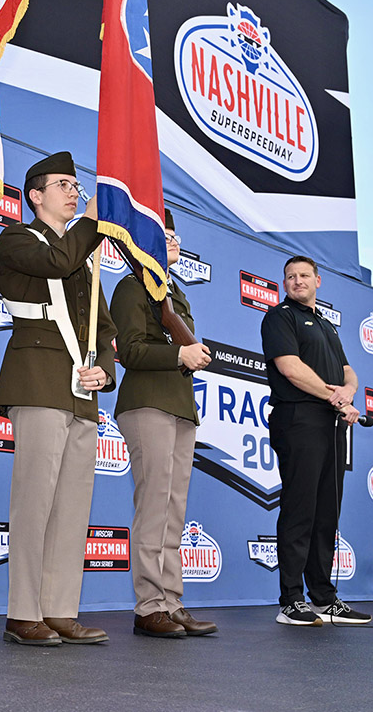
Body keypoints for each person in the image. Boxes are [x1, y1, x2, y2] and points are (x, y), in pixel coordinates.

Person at [0, 151, 115, 647]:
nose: (74, 192)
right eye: (62, 184)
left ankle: (60, 609)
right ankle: (23, 612)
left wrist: (105, 372)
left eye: (76, 185)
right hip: (38, 378)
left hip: (82, 393)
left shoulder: (85, 262)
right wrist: (92, 223)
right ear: (35, 195)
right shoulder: (19, 238)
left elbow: (105, 329)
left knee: (71, 507)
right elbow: (57, 261)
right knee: (35, 502)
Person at [110, 212, 217, 638]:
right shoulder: (131, 286)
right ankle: (149, 605)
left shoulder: (173, 292)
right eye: (164, 235)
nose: (173, 241)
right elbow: (130, 351)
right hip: (147, 403)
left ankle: (172, 601)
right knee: (154, 506)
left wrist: (189, 354)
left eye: (174, 235)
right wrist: (178, 355)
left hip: (179, 405)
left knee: (174, 510)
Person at [260, 256, 370, 626]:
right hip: (299, 419)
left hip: (331, 424)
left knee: (326, 512)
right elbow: (290, 368)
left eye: (304, 275)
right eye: (290, 276)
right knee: (300, 509)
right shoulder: (280, 317)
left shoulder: (326, 325)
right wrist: (334, 396)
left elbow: (347, 371)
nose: (297, 281)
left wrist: (349, 392)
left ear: (318, 281)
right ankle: (291, 600)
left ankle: (323, 597)